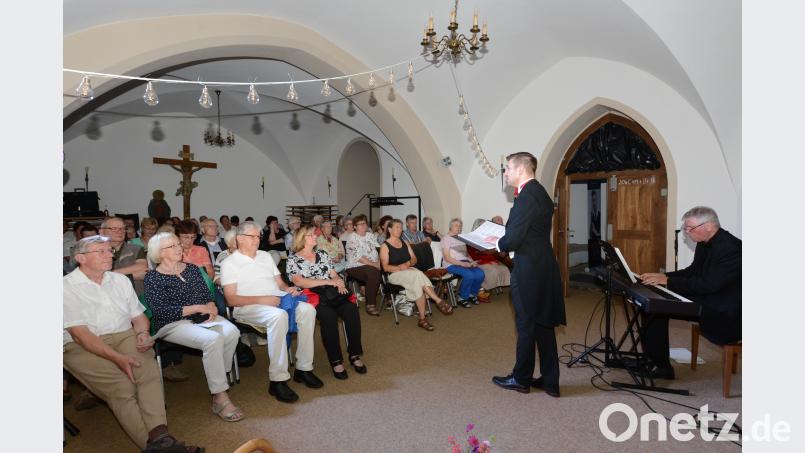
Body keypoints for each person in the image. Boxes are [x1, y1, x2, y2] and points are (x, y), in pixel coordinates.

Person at [63, 236, 204, 452]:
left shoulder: (119, 280)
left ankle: (160, 441)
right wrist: (118, 358)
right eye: (101, 251)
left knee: (148, 373)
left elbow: (138, 316)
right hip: (80, 344)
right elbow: (81, 335)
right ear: (81, 258)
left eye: (110, 251)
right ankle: (162, 447)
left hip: (124, 334)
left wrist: (142, 333)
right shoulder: (65, 287)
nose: (110, 255)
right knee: (122, 387)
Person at [486, 152, 565, 397]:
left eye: (508, 168)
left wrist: (496, 242)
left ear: (521, 169)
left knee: (527, 324)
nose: (505, 173)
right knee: (542, 323)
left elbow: (513, 238)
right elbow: (527, 232)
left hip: (530, 268)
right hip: (541, 264)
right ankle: (550, 381)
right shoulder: (539, 192)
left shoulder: (528, 195)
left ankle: (521, 379)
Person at [144, 232, 244, 422]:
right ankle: (220, 397)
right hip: (173, 323)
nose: (179, 248)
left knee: (232, 332)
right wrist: (197, 308)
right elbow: (160, 311)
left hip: (202, 316)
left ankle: (219, 377)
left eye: (178, 244)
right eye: (173, 246)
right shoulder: (153, 278)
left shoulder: (191, 269)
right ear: (159, 252)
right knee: (212, 339)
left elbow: (206, 294)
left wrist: (212, 307)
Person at [220, 221, 323, 403]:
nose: (257, 240)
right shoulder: (229, 263)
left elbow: (279, 283)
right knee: (278, 316)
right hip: (247, 307)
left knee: (308, 310)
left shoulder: (265, 256)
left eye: (258, 236)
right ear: (239, 238)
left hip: (275, 299)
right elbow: (231, 299)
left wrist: (288, 289)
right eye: (252, 236)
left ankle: (303, 368)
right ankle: (277, 380)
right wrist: (263, 299)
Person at [639, 206, 741, 380]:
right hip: (709, 297)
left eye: (690, 228)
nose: (686, 232)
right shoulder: (705, 242)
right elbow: (692, 271)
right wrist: (663, 276)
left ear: (708, 226)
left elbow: (708, 285)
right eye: (685, 228)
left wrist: (668, 281)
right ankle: (653, 360)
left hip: (724, 311)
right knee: (651, 305)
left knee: (656, 308)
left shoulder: (731, 248)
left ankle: (663, 369)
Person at [287, 226, 366, 379]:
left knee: (351, 310)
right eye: (311, 235)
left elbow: (334, 274)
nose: (315, 236)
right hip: (312, 296)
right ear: (302, 239)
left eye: (314, 234)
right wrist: (328, 282)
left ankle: (354, 354)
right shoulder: (293, 259)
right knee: (328, 316)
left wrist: (339, 282)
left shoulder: (322, 254)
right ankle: (336, 360)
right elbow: (300, 282)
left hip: (331, 292)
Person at [380, 219, 453, 331]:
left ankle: (422, 319)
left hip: (409, 270)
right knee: (418, 275)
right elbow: (385, 267)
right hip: (394, 274)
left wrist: (407, 264)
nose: (400, 230)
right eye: (397, 227)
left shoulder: (405, 243)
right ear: (389, 229)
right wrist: (400, 267)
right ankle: (437, 300)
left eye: (401, 227)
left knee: (417, 280)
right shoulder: (385, 246)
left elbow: (414, 259)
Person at [441, 218, 486, 308]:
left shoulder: (461, 238)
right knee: (469, 275)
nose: (459, 227)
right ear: (450, 227)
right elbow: (447, 257)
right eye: (456, 225)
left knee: (480, 274)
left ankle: (472, 294)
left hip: (464, 262)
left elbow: (466, 254)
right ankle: (462, 297)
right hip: (451, 264)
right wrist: (462, 264)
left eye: (460, 226)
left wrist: (472, 261)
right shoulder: (446, 239)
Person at [100, 217, 148, 295]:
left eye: (122, 228)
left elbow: (142, 267)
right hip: (107, 296)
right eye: (114, 228)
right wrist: (132, 276)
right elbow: (95, 277)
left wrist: (108, 274)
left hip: (135, 296)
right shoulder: (94, 251)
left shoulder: (136, 249)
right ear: (102, 231)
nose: (119, 232)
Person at [345, 214, 382, 316]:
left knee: (387, 269)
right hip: (355, 266)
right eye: (360, 224)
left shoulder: (370, 235)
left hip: (373, 265)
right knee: (373, 273)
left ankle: (391, 299)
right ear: (355, 227)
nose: (363, 225)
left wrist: (379, 262)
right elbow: (359, 257)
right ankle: (370, 304)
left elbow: (379, 250)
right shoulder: (352, 238)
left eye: (364, 223)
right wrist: (376, 265)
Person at [468, 218, 511, 295]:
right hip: (479, 261)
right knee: (493, 271)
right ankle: (484, 289)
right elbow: (473, 254)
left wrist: (492, 257)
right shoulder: (471, 238)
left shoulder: (487, 238)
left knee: (504, 268)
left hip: (489, 260)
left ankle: (495, 285)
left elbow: (490, 251)